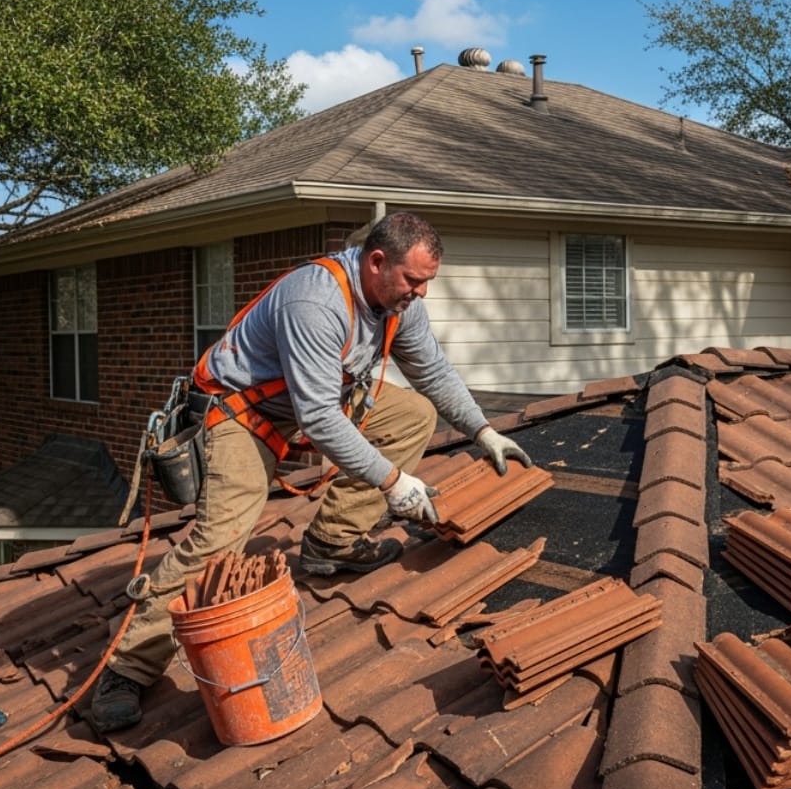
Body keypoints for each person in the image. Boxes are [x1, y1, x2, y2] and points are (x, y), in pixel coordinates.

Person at [91, 211, 532, 732]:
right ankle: (127, 667)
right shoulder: (316, 302)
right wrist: (394, 483)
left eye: (427, 281)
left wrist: (483, 431)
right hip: (240, 413)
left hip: (308, 403)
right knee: (221, 538)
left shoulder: (399, 304)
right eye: (414, 280)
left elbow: (431, 371)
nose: (422, 293)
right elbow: (320, 419)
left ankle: (332, 542)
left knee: (413, 414)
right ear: (376, 262)